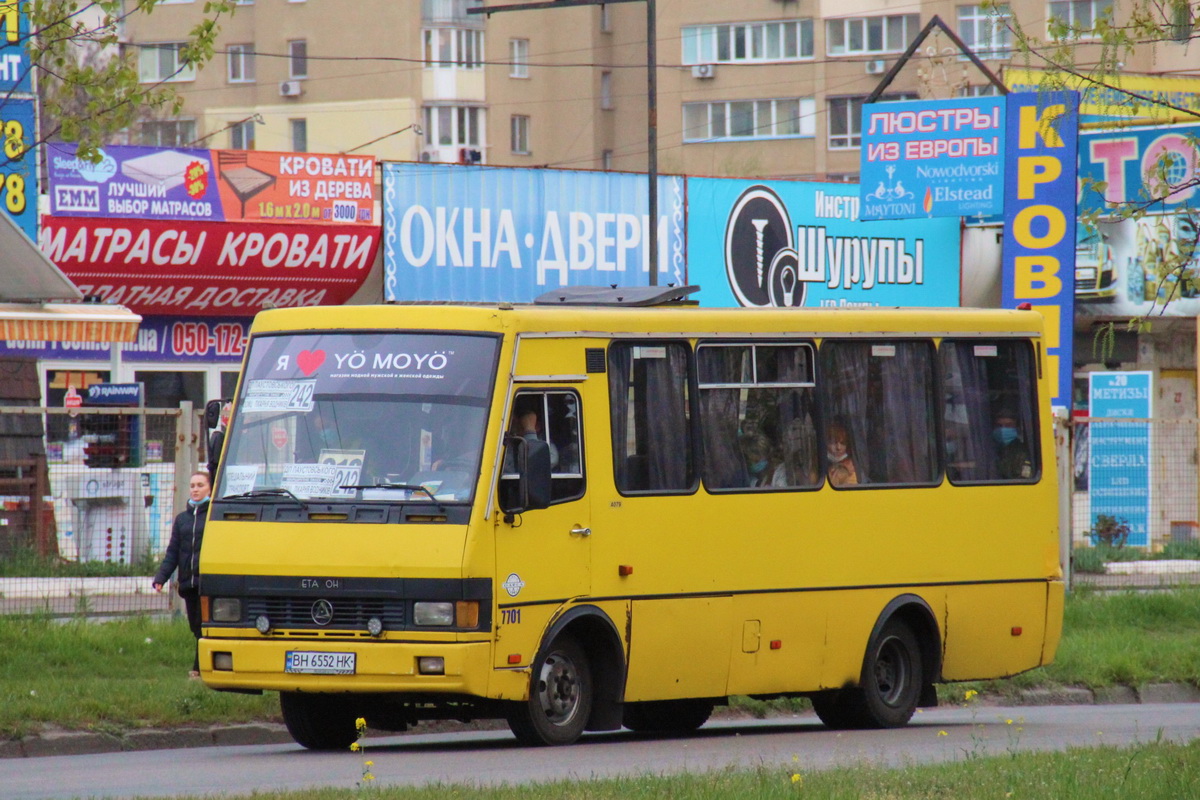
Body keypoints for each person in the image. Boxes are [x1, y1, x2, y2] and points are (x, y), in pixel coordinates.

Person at [153, 471, 211, 678]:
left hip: (208, 583)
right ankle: (202, 665)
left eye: (200, 485)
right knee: (196, 625)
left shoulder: (213, 516)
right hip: (188, 583)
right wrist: (161, 577)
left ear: (210, 488)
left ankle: (199, 667)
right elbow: (173, 551)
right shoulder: (182, 519)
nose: (195, 489)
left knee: (205, 624)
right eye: (193, 485)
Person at [993, 409, 1032, 480]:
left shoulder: (1023, 452)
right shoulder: (986, 449)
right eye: (999, 425)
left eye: (1008, 425)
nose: (1002, 429)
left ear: (1017, 428)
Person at [825, 421, 858, 487]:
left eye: (843, 443)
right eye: (834, 443)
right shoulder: (817, 463)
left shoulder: (851, 467)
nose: (838, 447)